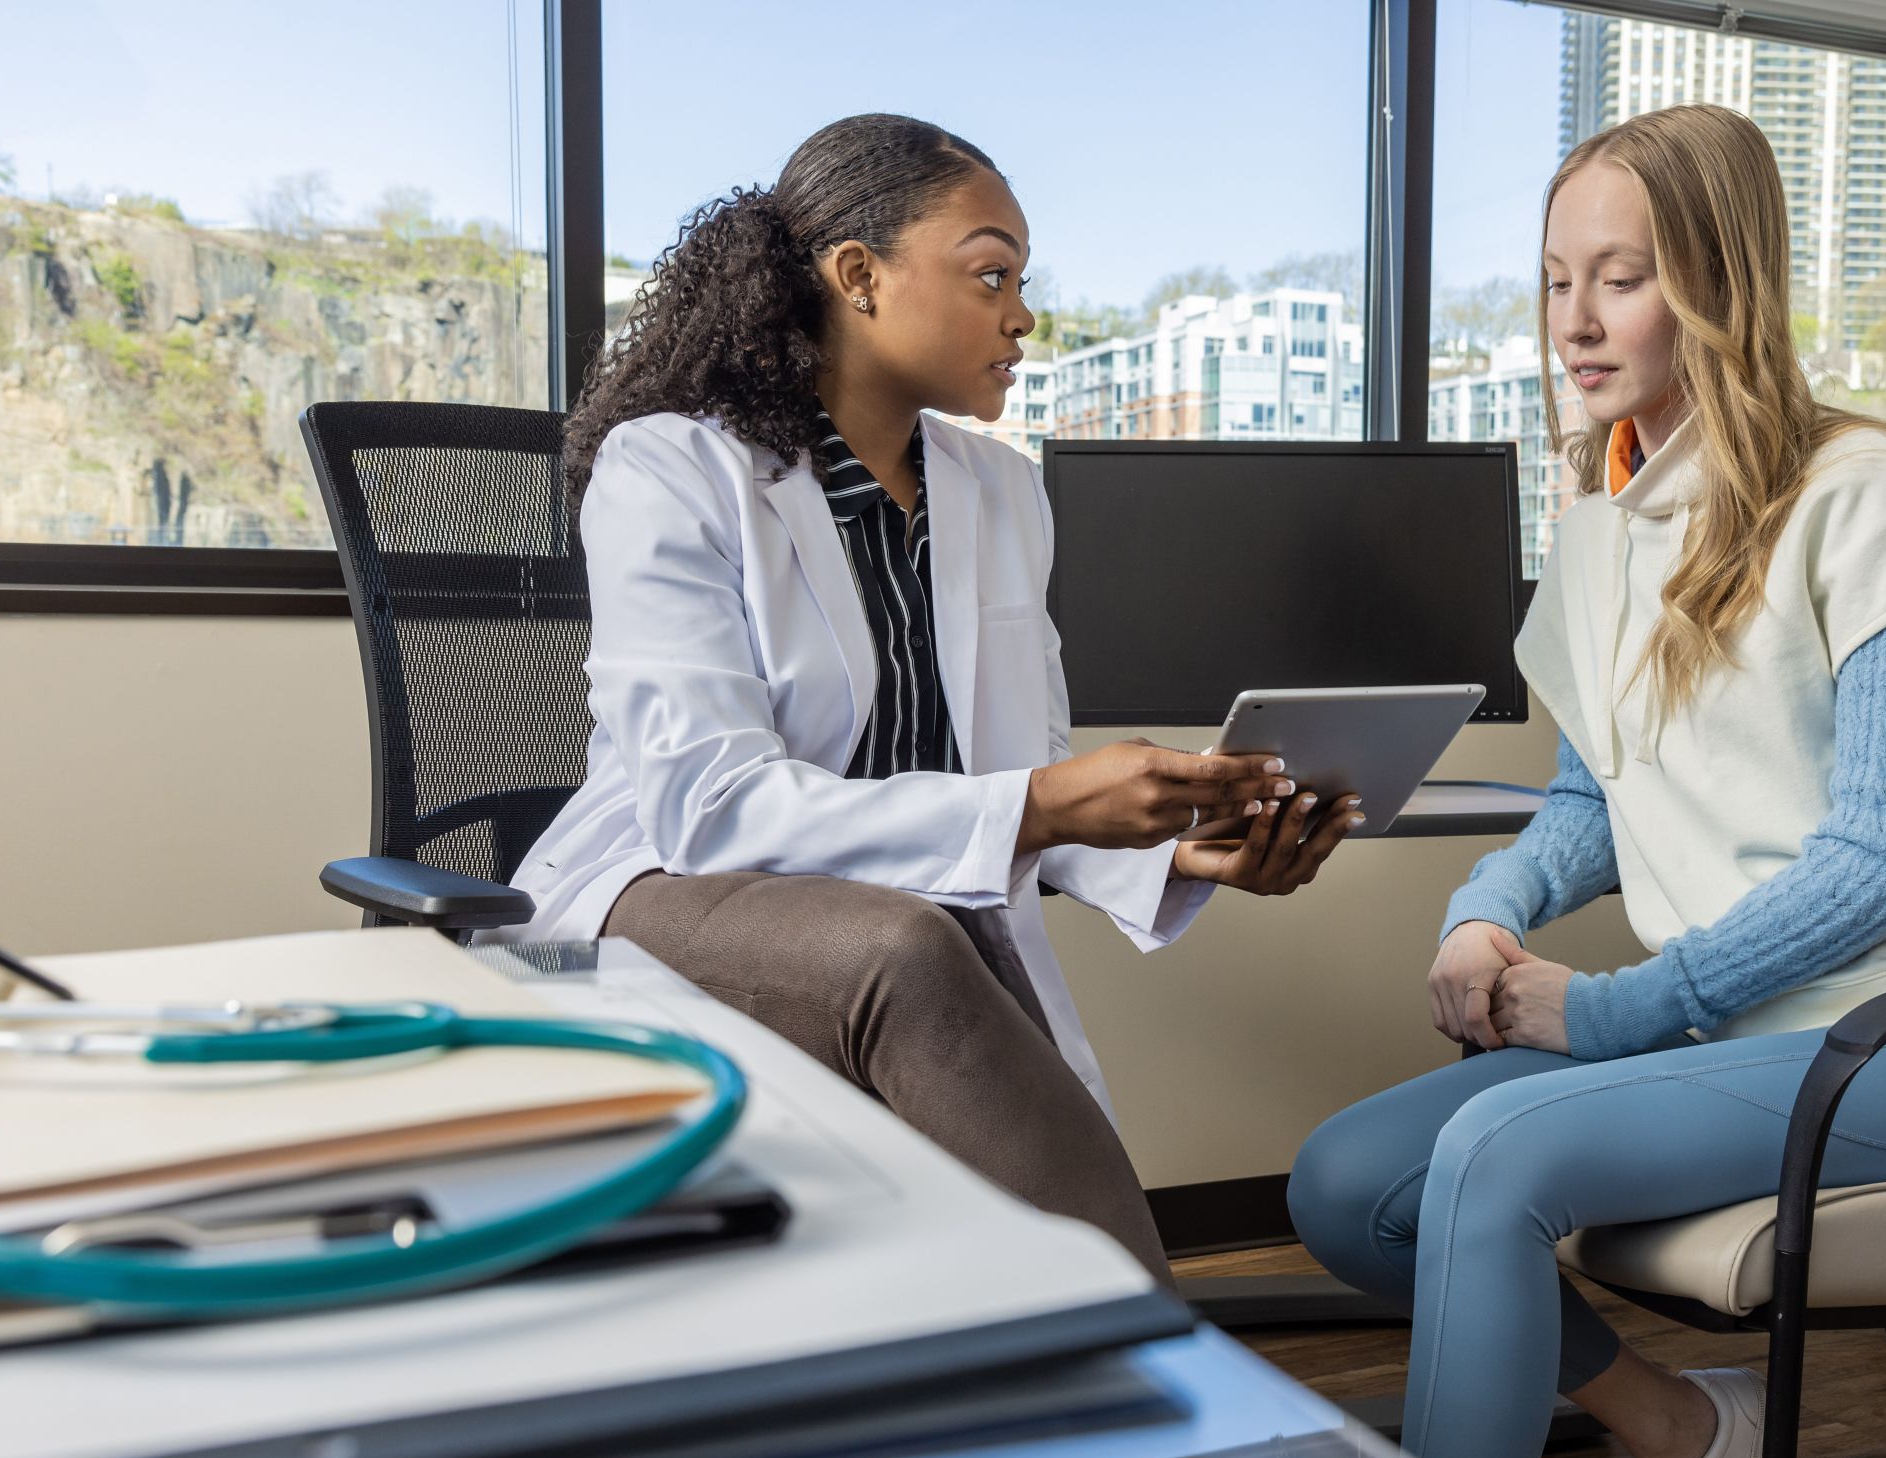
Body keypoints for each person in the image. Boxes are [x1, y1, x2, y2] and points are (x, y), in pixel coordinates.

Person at [1285, 103, 1886, 1458]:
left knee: (1499, 1157)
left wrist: (1618, 1011)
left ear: (1716, 281)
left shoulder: (1867, 490)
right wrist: (1488, 909)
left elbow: (1885, 858)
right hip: (1749, 1040)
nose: (1575, 319)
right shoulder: (1598, 526)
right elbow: (1594, 803)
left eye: (1622, 276)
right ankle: (1690, 1439)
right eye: (1556, 276)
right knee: (1344, 1185)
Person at [496, 114, 1362, 1282]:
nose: (1022, 315)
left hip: (897, 914)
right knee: (907, 945)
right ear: (857, 275)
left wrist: (1170, 850)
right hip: (663, 888)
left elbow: (1015, 771)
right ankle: (1145, 1369)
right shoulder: (673, 467)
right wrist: (1046, 807)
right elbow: (712, 807)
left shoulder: (1001, 491)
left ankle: (1060, 1371)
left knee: (924, 940)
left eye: (1022, 280)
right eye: (990, 272)